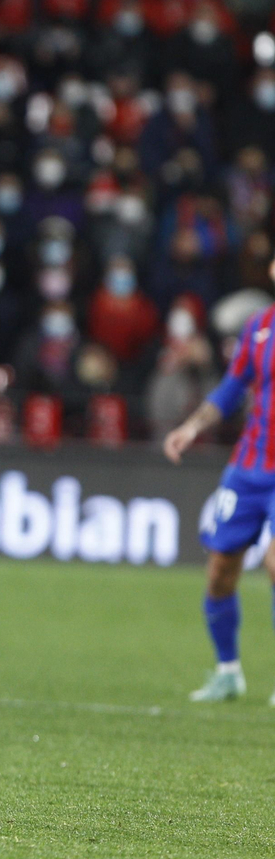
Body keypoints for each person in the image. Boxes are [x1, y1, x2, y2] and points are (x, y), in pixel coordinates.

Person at [164, 263, 275, 702]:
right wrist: (192, 427)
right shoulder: (259, 327)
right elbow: (234, 386)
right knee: (220, 573)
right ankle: (228, 671)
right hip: (249, 469)